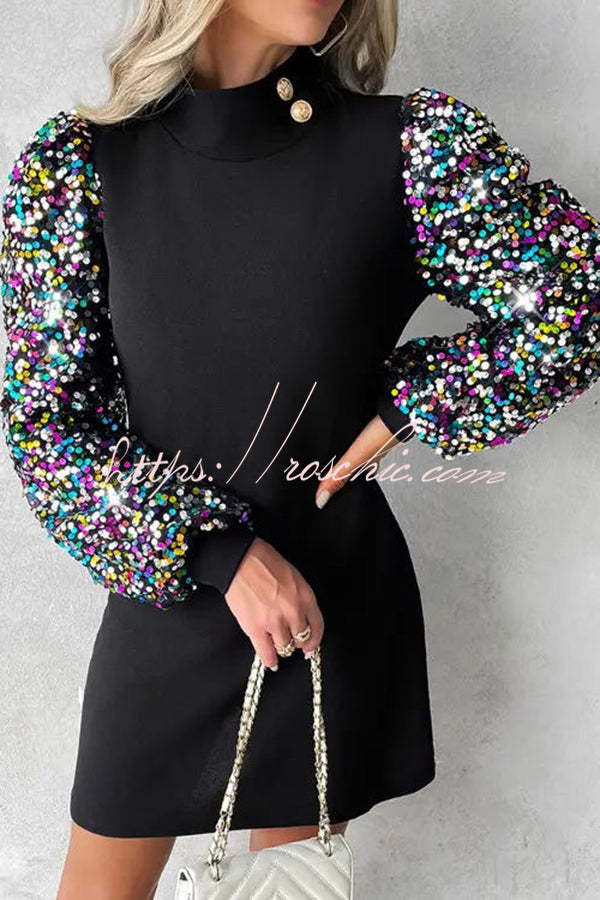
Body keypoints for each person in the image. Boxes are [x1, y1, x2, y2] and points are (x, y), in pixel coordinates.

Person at [1, 1, 598, 897]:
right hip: (172, 597)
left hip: (327, 601)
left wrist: (412, 404)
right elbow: (49, 428)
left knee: (289, 886)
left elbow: (573, 300)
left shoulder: (412, 151)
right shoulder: (78, 168)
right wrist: (217, 552)